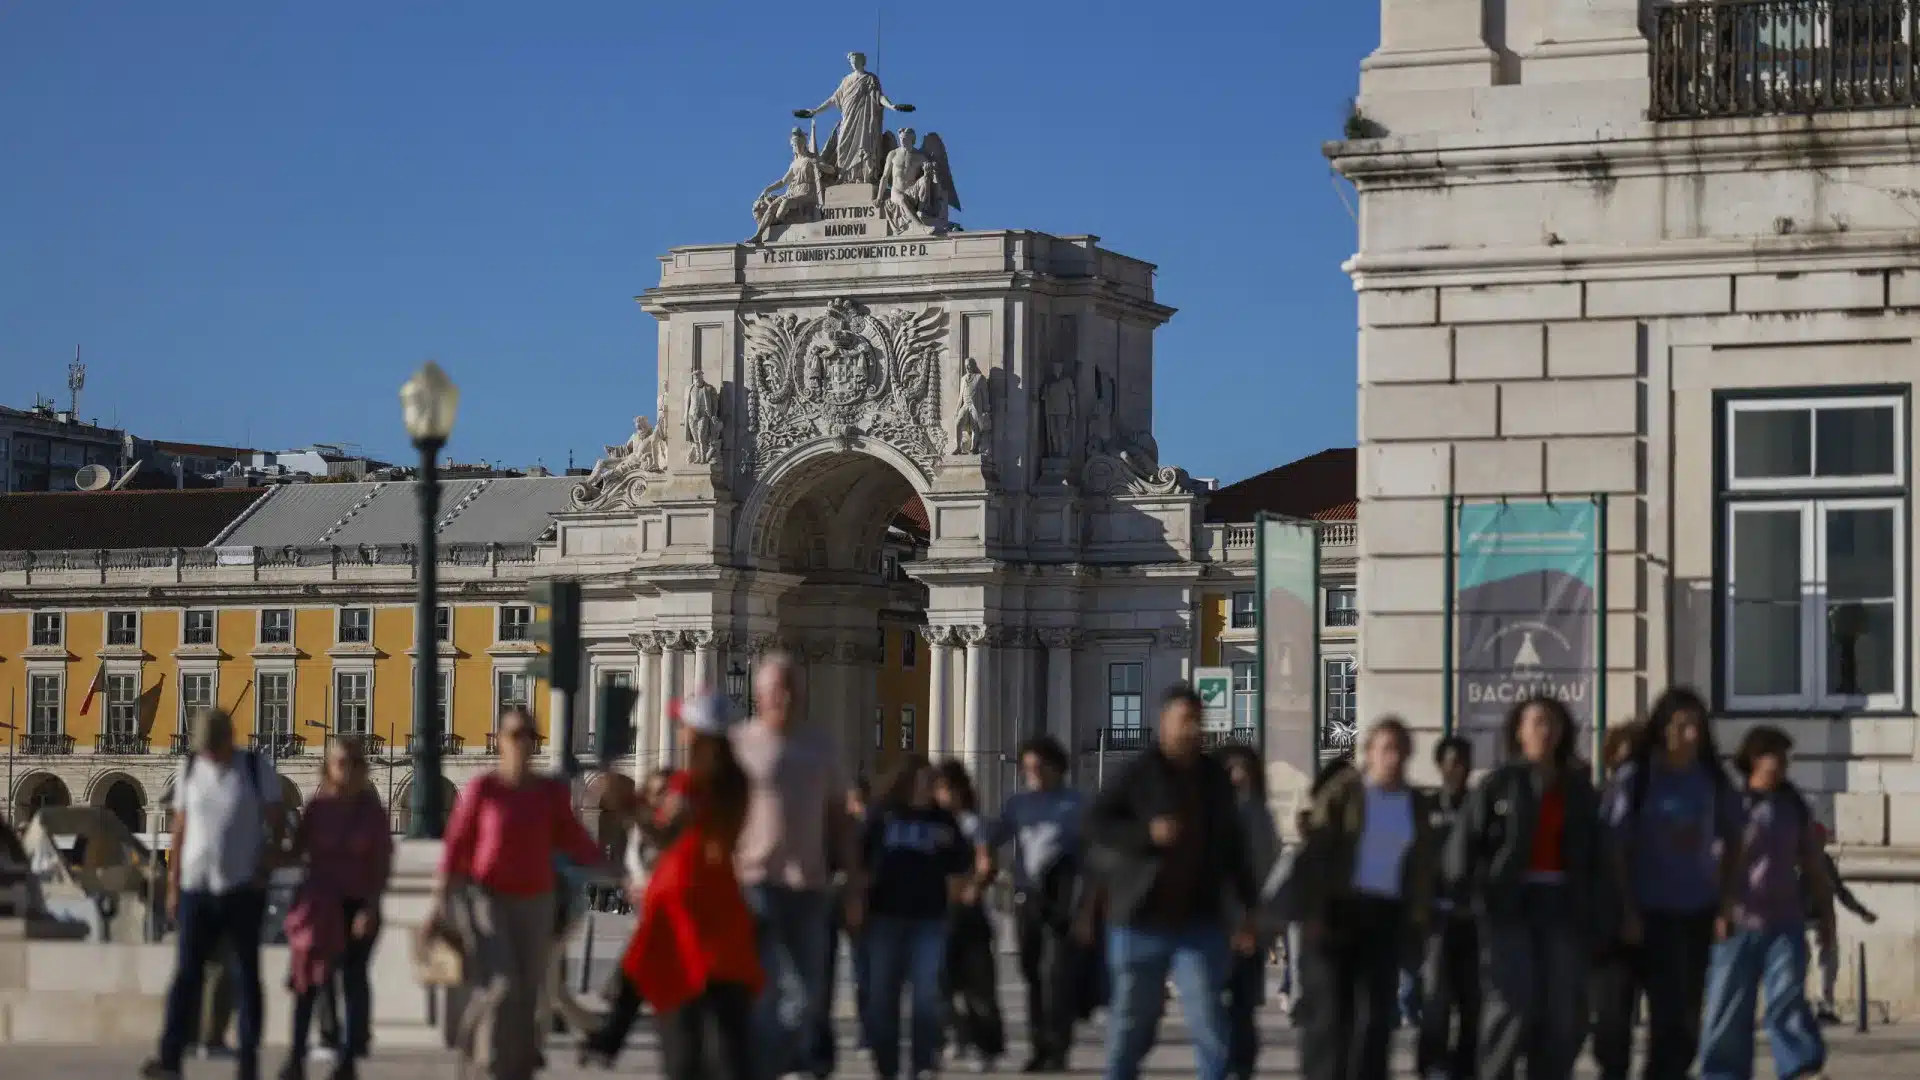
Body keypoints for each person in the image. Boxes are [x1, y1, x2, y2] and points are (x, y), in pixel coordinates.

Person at [1086, 685, 1259, 1080]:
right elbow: (1095, 824)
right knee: (1133, 1023)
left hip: (1199, 921)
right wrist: (1147, 834)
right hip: (1139, 919)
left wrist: (1248, 909)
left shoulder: (1214, 779)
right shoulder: (1137, 773)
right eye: (1184, 721)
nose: (1191, 730)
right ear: (1163, 723)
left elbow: (1234, 850)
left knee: (1208, 1016)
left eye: (1197, 721)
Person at [435, 704, 606, 1080]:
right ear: (500, 741)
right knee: (501, 983)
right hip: (489, 898)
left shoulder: (548, 793)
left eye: (530, 735)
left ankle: (518, 1068)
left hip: (537, 900)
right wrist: (440, 901)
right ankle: (484, 1058)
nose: (522, 742)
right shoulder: (485, 788)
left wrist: (615, 869)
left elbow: (574, 838)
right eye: (515, 734)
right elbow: (456, 845)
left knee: (529, 990)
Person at [1444, 695, 1606, 1080]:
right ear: (1519, 731)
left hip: (1563, 905)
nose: (1544, 731)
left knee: (1562, 1011)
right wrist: (1464, 897)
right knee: (1512, 1005)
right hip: (1509, 905)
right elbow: (1463, 845)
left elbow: (1598, 855)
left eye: (1551, 722)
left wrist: (1600, 909)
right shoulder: (1499, 785)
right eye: (1535, 722)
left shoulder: (1578, 789)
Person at [731, 654, 865, 1080]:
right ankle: (774, 1066)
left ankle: (787, 1061)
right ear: (759, 694)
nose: (783, 697)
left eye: (791, 688)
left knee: (807, 992)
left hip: (809, 884)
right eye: (774, 689)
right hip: (754, 883)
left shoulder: (821, 745)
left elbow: (841, 818)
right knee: (764, 988)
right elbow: (721, 816)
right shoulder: (739, 743)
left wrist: (855, 882)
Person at [1601, 689, 1743, 1080]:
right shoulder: (1638, 778)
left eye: (1697, 725)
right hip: (1643, 914)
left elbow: (1737, 838)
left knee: (1680, 1026)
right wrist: (1627, 909)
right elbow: (1614, 848)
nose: (1692, 734)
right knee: (1616, 1026)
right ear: (1663, 730)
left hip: (1693, 914)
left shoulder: (1712, 780)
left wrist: (1726, 901)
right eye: (1683, 726)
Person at [619, 695, 763, 1080]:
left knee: (648, 980)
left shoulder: (689, 784)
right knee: (729, 1037)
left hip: (681, 896)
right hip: (723, 903)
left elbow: (667, 834)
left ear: (700, 735)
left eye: (686, 726)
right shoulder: (740, 785)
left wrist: (633, 808)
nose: (681, 732)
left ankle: (609, 1034)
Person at [142, 708, 286, 1080]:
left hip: (241, 889)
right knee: (185, 976)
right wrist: (173, 885)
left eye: (212, 747)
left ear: (227, 739)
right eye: (202, 747)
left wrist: (264, 868)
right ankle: (170, 1058)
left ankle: (248, 1061)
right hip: (195, 889)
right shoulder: (190, 768)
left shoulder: (254, 768)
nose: (207, 753)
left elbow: (277, 823)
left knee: (246, 977)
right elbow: (179, 828)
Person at [1293, 718, 1436, 1080]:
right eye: (1385, 748)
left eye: (1400, 749)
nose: (1393, 757)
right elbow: (1317, 852)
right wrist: (1314, 912)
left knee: (1375, 1016)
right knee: (1330, 1015)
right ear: (1369, 753)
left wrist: (1418, 921)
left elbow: (1421, 867)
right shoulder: (1347, 792)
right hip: (1340, 911)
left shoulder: (1415, 803)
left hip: (1386, 915)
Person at [1698, 726, 1834, 1080]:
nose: (1781, 763)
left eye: (1784, 756)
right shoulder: (1732, 804)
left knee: (1788, 1000)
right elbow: (1713, 865)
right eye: (1773, 754)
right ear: (1754, 759)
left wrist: (1827, 920)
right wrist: (1718, 911)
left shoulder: (1793, 806)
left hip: (1785, 921)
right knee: (1728, 1006)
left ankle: (1801, 1068)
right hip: (1738, 921)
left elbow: (1814, 865)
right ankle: (1723, 1074)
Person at [280, 734, 392, 1080]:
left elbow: (381, 865)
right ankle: (296, 1058)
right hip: (319, 907)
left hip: (357, 905)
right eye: (341, 761)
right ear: (327, 767)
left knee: (352, 980)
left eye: (356, 762)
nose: (348, 769)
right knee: (306, 985)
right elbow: (296, 852)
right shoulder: (316, 809)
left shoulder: (373, 814)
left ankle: (347, 1059)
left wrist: (371, 908)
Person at [862, 755, 972, 1080]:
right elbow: (861, 857)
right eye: (923, 781)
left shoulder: (943, 820)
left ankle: (922, 1064)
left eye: (932, 782)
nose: (928, 788)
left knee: (926, 995)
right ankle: (887, 1067)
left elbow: (961, 862)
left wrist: (955, 898)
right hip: (885, 916)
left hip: (929, 918)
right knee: (883, 996)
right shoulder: (883, 815)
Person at [992, 735, 1087, 1073]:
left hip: (1061, 899)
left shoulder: (1075, 805)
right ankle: (1038, 1045)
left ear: (1057, 767)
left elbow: (1092, 852)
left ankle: (1057, 1046)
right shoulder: (1018, 804)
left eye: (1040, 767)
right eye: (1028, 768)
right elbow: (994, 835)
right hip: (1026, 898)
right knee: (1031, 973)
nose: (1033, 773)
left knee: (1054, 973)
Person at [934, 760, 1006, 1073]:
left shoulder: (972, 823)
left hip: (968, 913)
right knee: (937, 984)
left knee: (978, 987)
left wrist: (976, 885)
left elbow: (986, 861)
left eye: (948, 788)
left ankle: (985, 1046)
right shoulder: (931, 823)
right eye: (938, 789)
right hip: (935, 912)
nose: (943, 795)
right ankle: (957, 1035)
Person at [1215, 743, 1280, 1080]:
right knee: (1213, 1007)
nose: (1238, 776)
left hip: (1249, 925)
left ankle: (1241, 1068)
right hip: (1213, 925)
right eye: (1230, 769)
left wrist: (1264, 924)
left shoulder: (1260, 815)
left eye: (1244, 769)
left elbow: (1269, 871)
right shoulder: (1209, 812)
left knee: (1241, 1008)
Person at [1416, 735, 1478, 1080]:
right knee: (1436, 998)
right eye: (1452, 761)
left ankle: (1467, 1066)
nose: (1458, 769)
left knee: (1473, 998)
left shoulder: (1479, 804)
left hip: (1472, 917)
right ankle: (1433, 1065)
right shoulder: (1427, 808)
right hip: (1437, 917)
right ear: (1440, 765)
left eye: (1464, 762)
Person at [1588, 720, 1645, 1080]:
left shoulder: (1617, 790)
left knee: (1615, 1009)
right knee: (1616, 1009)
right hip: (1622, 914)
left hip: (1630, 912)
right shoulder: (1621, 791)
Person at [1811, 822, 1875, 1024]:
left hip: (1821, 921)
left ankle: (1824, 1006)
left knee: (1828, 963)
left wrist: (1862, 912)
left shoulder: (1824, 861)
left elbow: (1840, 891)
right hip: (1799, 921)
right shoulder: (1793, 860)